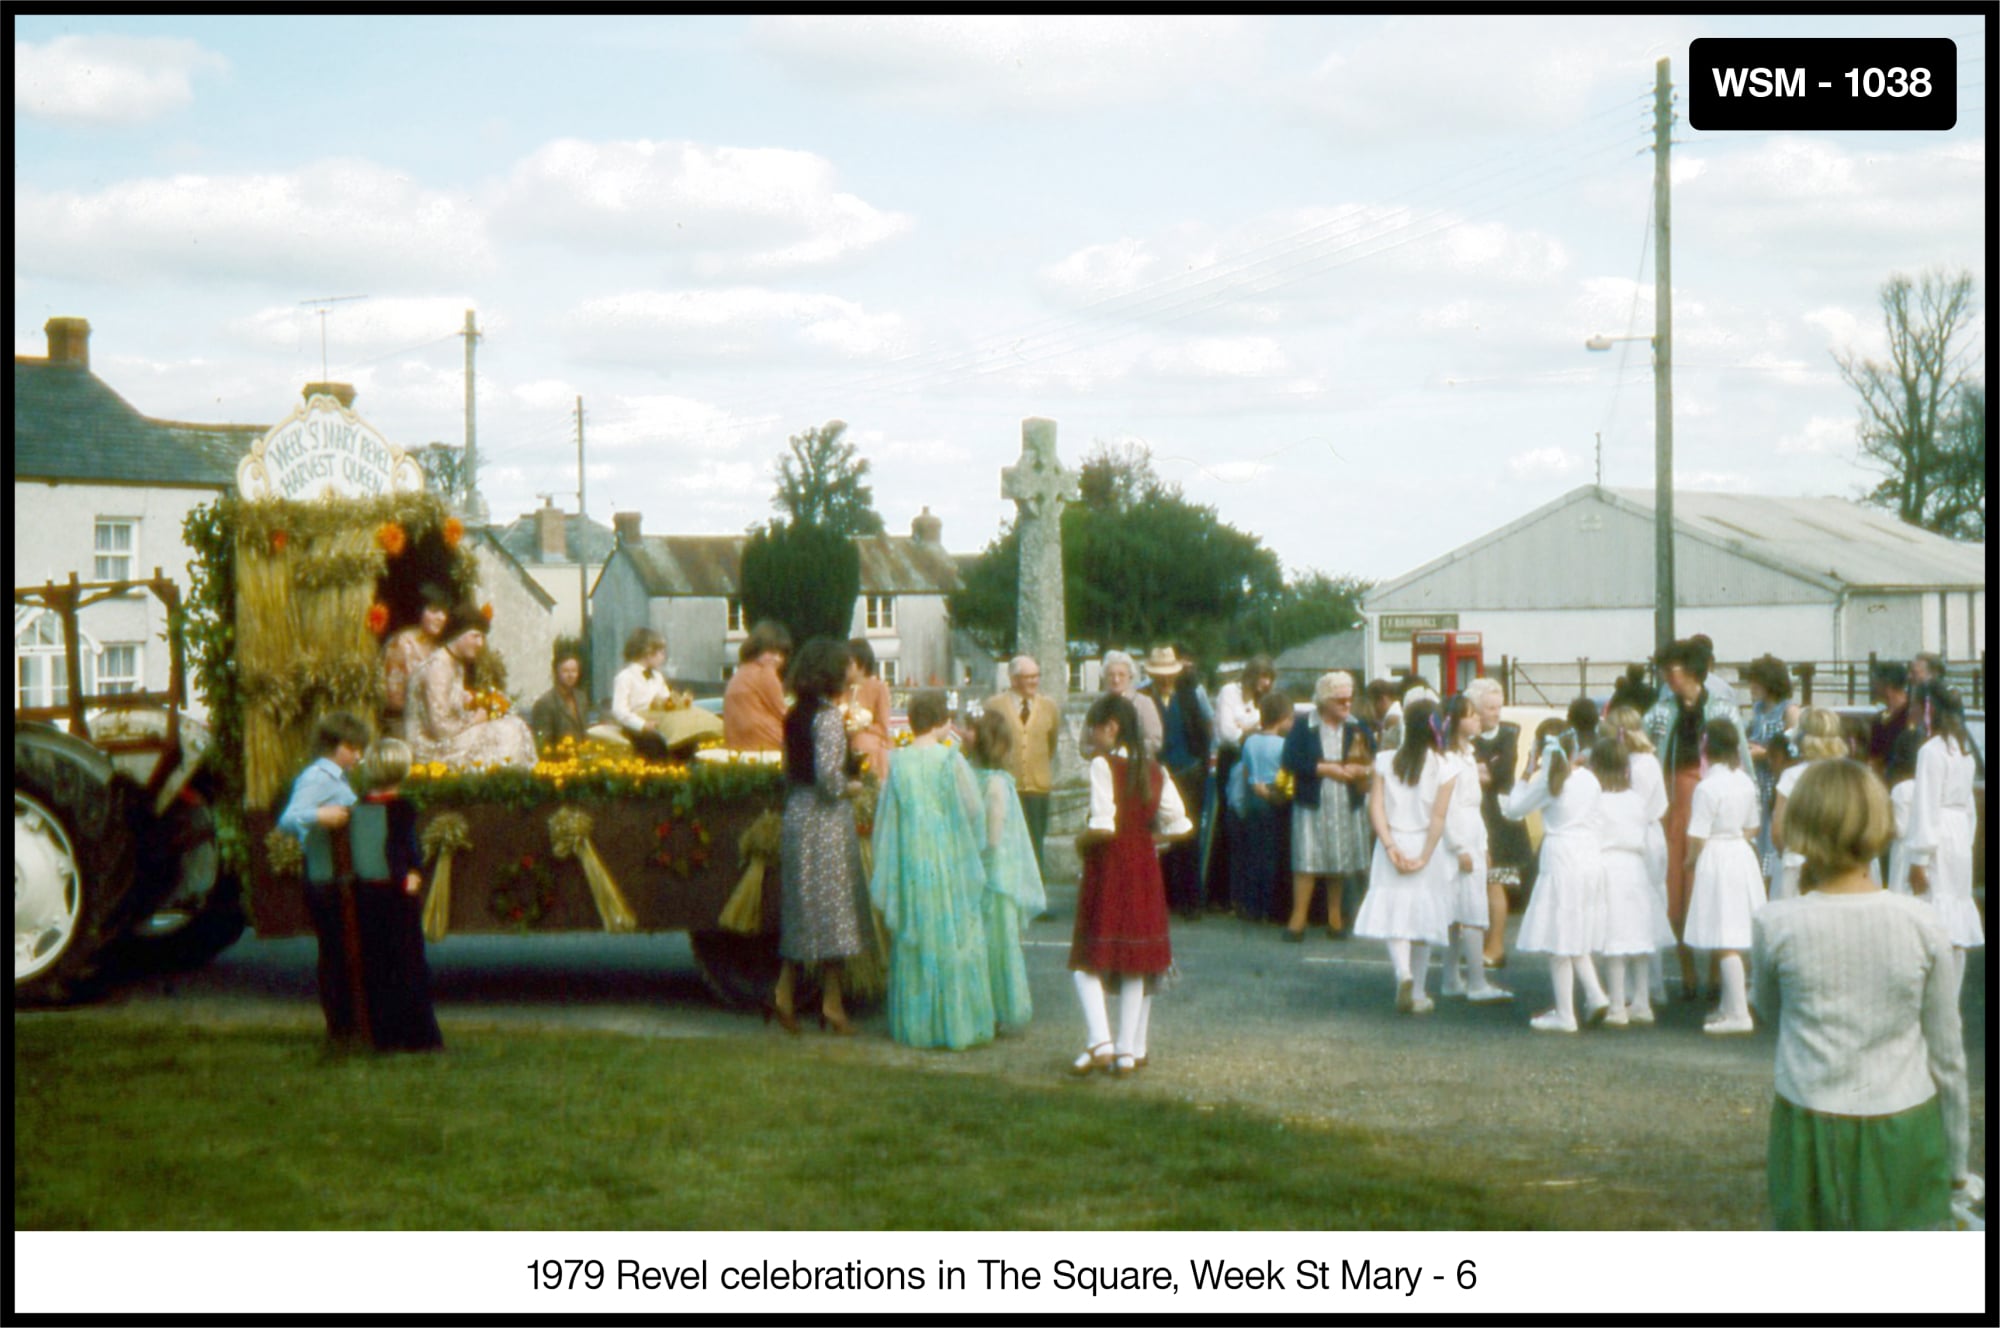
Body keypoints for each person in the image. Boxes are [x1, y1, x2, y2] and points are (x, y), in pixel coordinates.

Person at [1750, 759, 1970, 1229]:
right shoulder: (1922, 923)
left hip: (1807, 1123)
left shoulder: (1776, 923)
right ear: (1879, 824)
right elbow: (1947, 1057)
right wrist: (1955, 1164)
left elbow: (1770, 1012)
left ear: (1802, 823)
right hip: (1905, 1121)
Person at [1067, 694, 1191, 1078]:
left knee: (1087, 957)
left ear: (1112, 727)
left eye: (1095, 728)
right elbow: (1180, 824)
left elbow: (1103, 824)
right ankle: (1125, 1052)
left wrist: (1080, 841)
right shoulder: (1154, 768)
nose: (1091, 735)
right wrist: (1147, 841)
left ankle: (1101, 1040)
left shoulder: (1104, 765)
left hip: (1110, 865)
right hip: (1144, 864)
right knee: (1136, 962)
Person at [868, 691, 996, 1050]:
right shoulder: (950, 759)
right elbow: (973, 808)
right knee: (951, 932)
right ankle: (953, 1021)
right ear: (941, 722)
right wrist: (967, 839)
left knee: (915, 933)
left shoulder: (898, 761)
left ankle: (917, 1024)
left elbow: (886, 818)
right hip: (945, 854)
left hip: (910, 855)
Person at [769, 638, 874, 1036]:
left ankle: (789, 995)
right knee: (836, 913)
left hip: (797, 812)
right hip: (825, 819)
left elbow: (788, 768)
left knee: (805, 912)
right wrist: (854, 787)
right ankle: (829, 1004)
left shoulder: (794, 713)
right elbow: (830, 780)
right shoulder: (828, 717)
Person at [1643, 638, 1746, 999]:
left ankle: (1719, 972)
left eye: (1671, 669)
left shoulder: (1723, 710)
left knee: (1714, 888)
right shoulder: (1659, 711)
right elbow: (1643, 755)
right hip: (1675, 805)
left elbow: (1742, 759)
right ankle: (1687, 972)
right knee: (1677, 889)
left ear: (1690, 671)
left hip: (1714, 805)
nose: (1666, 676)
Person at [1504, 721, 1610, 1033]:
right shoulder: (1588, 778)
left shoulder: (1548, 782)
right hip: (1589, 855)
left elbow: (1512, 809)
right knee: (1575, 931)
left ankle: (1566, 1014)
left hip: (1562, 858)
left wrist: (1526, 772)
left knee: (1559, 937)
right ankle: (1595, 993)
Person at [339, 738, 444, 1052]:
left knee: (377, 965)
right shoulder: (401, 808)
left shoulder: (358, 808)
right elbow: (401, 848)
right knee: (408, 963)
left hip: (366, 892)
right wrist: (411, 874)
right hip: (395, 892)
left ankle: (384, 1035)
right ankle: (418, 1036)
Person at [1354, 697, 1455, 1014]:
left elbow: (1376, 807)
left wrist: (1389, 845)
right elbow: (1439, 817)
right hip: (1426, 845)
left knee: (1395, 916)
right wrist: (1425, 855)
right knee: (1422, 920)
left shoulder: (1385, 760)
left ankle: (1403, 972)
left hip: (1394, 840)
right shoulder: (1445, 767)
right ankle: (1420, 992)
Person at [277, 711, 369, 1045]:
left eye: (361, 748)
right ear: (332, 745)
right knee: (334, 952)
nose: (358, 755)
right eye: (352, 747)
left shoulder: (340, 778)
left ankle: (349, 1022)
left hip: (336, 875)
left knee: (344, 950)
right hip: (322, 878)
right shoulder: (317, 777)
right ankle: (339, 1027)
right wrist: (320, 815)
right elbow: (289, 818)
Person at [965, 711, 1048, 1033]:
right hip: (984, 867)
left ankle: (994, 1009)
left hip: (992, 874)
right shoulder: (980, 776)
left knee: (994, 944)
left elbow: (994, 835)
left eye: (972, 729)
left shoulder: (995, 783)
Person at [1683, 720, 1765, 1035]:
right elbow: (1753, 826)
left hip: (1717, 855)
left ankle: (1739, 1014)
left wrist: (1691, 862)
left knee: (1726, 934)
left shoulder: (1706, 787)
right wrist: (1734, 837)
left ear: (1707, 747)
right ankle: (1731, 1006)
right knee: (1731, 931)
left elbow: (1698, 835)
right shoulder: (1744, 781)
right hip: (1740, 853)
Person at [1280, 671, 1375, 941]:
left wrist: (1359, 767)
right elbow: (1290, 759)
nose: (1347, 705)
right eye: (1340, 701)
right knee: (1306, 858)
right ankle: (1298, 918)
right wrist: (1325, 768)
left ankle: (1335, 917)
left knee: (1338, 858)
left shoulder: (1356, 725)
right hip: (1314, 796)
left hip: (1346, 798)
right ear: (1324, 701)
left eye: (1349, 699)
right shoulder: (1304, 725)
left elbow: (1373, 752)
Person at [1904, 687, 1983, 1008]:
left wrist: (1919, 858)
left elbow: (1925, 804)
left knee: (1935, 912)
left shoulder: (1932, 751)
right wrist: (1966, 840)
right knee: (1955, 915)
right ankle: (1950, 997)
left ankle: (1936, 998)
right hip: (1959, 838)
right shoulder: (1963, 750)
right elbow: (1969, 810)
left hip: (1938, 835)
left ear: (1929, 710)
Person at [1589, 736, 1668, 1027]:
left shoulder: (1597, 800)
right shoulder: (1636, 800)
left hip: (1609, 868)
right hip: (1637, 868)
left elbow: (1594, 838)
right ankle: (1642, 1002)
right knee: (1640, 936)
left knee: (1614, 939)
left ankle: (1616, 1005)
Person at [1437, 693, 1511, 1002]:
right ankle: (1477, 982)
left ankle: (1452, 978)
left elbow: (1473, 806)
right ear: (1455, 722)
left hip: (1472, 834)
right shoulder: (1450, 759)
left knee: (1461, 912)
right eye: (1471, 715)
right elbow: (1447, 808)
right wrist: (1460, 847)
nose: (1478, 719)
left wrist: (1482, 844)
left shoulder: (1467, 755)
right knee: (1469, 912)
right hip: (1460, 839)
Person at [404, 607, 537, 770]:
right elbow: (439, 727)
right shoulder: (438, 667)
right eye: (475, 636)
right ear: (459, 635)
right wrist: (474, 720)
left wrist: (469, 701)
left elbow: (449, 703)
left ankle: (511, 781)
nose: (480, 643)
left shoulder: (455, 663)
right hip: (430, 746)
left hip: (448, 736)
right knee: (506, 732)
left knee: (515, 724)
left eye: (482, 638)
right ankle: (500, 783)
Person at [1604, 704, 1674, 1006]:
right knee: (1642, 908)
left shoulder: (1642, 763)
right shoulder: (1641, 760)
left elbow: (1640, 808)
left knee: (1643, 910)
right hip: (1644, 834)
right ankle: (1643, 987)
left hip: (1642, 837)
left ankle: (1648, 986)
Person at [1466, 677, 1531, 969]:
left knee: (1495, 882)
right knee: (1473, 884)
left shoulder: (1508, 734)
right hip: (1472, 814)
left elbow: (1498, 774)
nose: (1496, 713)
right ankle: (1476, 945)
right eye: (1489, 707)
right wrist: (1478, 770)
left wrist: (1478, 770)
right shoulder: (1467, 737)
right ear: (1475, 710)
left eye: (1498, 707)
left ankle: (1495, 947)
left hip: (1498, 819)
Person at [1146, 646, 1212, 920]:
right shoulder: (1143, 697)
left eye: (1168, 674)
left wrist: (1198, 764)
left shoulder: (1188, 696)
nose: (1164, 679)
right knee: (1159, 837)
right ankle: (1161, 898)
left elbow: (1202, 732)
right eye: (1159, 675)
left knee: (1188, 834)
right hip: (1155, 774)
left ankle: (1191, 900)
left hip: (1187, 773)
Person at [1209, 655, 1277, 910]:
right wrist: (1250, 729)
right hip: (1233, 759)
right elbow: (1227, 734)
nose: (1266, 683)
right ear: (1251, 675)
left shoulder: (1263, 700)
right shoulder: (1229, 692)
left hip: (1253, 757)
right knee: (1229, 823)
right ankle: (1220, 894)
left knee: (1250, 825)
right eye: (1262, 677)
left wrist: (1244, 728)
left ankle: (1244, 892)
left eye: (1269, 678)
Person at [982, 654, 1060, 878]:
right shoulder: (994, 706)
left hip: (1038, 788)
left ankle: (1037, 900)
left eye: (1036, 676)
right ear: (1014, 679)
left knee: (1035, 844)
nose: (1034, 682)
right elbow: (988, 742)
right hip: (1006, 786)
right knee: (1006, 843)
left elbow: (1050, 743)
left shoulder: (1049, 707)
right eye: (1028, 678)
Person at [1226, 690, 1294, 924]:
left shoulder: (1251, 741)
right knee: (1273, 854)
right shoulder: (1284, 745)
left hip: (1253, 799)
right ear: (1283, 718)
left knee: (1253, 853)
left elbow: (1245, 771)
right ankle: (1271, 906)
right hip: (1274, 799)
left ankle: (1251, 905)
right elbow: (1287, 775)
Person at [1770, 707, 1849, 902]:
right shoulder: (1849, 775)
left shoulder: (1791, 776)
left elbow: (1778, 832)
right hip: (1840, 866)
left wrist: (1787, 851)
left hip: (1798, 863)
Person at [1742, 654, 1800, 882]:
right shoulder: (1757, 710)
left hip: (1777, 781)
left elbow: (1795, 750)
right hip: (1759, 782)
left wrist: (1765, 753)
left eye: (1757, 681)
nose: (1752, 687)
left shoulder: (1789, 711)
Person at [380, 583, 451, 729]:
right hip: (401, 724)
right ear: (420, 612)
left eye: (444, 613)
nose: (441, 618)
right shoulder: (402, 643)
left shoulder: (439, 649)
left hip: (433, 726)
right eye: (434, 611)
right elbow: (392, 696)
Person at [724, 621, 792, 753]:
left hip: (737, 747)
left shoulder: (739, 674)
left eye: (781, 654)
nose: (777, 659)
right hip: (768, 747)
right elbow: (785, 715)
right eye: (772, 652)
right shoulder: (766, 673)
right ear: (757, 649)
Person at [845, 638, 895, 780]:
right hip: (843, 740)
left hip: (868, 743)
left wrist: (862, 727)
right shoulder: (841, 688)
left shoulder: (878, 688)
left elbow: (883, 727)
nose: (844, 668)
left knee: (863, 742)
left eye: (849, 663)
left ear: (862, 663)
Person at [528, 638, 591, 751]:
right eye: (566, 671)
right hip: (558, 761)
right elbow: (543, 743)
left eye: (574, 671)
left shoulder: (581, 698)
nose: (570, 675)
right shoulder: (545, 703)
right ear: (557, 672)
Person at [1100, 650, 1162, 757]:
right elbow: (1085, 745)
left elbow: (1155, 741)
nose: (1116, 680)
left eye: (1121, 675)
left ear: (1130, 676)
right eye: (1111, 675)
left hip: (1136, 767)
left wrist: (1125, 750)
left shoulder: (1144, 703)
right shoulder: (1098, 705)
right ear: (1104, 677)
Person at [1865, 661, 1914, 779]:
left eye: (1875, 682)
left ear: (1887, 685)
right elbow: (1875, 758)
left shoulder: (1912, 715)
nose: (1873, 687)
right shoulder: (1879, 720)